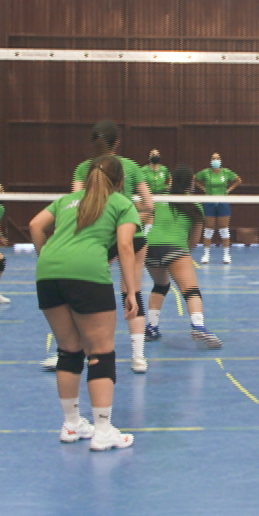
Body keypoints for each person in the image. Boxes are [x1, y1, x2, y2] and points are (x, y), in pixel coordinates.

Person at [30, 156, 140, 451]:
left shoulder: (66, 200)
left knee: (68, 350)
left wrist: (48, 258)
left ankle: (72, 425)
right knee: (101, 353)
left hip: (48, 273)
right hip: (88, 274)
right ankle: (103, 431)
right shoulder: (121, 203)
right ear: (119, 182)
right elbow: (126, 246)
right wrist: (131, 291)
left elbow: (35, 225)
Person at [41, 122, 153, 372]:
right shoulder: (132, 166)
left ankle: (67, 352)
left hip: (97, 240)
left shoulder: (84, 168)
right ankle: (138, 357)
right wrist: (131, 218)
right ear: (117, 143)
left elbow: (77, 204)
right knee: (131, 291)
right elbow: (149, 204)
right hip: (129, 237)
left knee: (76, 290)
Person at [142, 164, 221, 349]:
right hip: (175, 248)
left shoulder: (157, 200)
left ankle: (152, 327)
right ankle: (198, 326)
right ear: (191, 183)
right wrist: (181, 255)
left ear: (170, 181)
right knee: (190, 290)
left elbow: (143, 219)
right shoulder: (194, 205)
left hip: (149, 249)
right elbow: (193, 241)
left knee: (160, 285)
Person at [193, 153, 241, 264]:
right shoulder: (205, 172)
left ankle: (226, 255)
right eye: (213, 158)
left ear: (220, 160)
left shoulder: (226, 172)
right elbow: (194, 178)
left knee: (224, 229)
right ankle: (206, 255)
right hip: (209, 202)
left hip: (223, 202)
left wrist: (228, 191)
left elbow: (238, 180)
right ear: (210, 161)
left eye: (217, 158)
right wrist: (203, 189)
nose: (215, 160)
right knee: (209, 228)